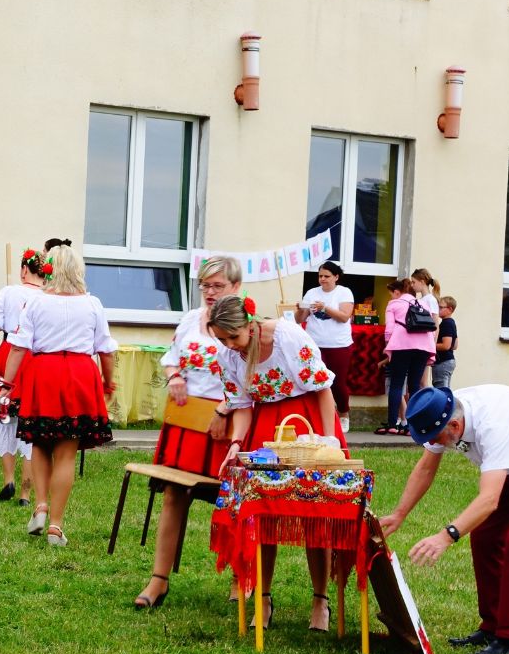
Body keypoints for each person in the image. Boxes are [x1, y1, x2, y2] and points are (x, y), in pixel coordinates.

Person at [381, 385, 509, 654]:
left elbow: (489, 500)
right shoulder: (442, 412)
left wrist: (446, 536)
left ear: (454, 424)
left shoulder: (493, 425)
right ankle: (492, 626)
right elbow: (426, 467)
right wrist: (400, 513)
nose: (434, 442)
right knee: (484, 536)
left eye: (436, 437)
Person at [211, 294, 346, 631]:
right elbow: (242, 404)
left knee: (316, 515)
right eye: (222, 339)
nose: (229, 345)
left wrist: (327, 441)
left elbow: (322, 389)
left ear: (251, 325)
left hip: (309, 424)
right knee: (263, 515)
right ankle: (264, 598)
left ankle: (321, 601)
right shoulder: (228, 354)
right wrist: (237, 442)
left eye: (234, 337)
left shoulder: (288, 337)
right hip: (266, 430)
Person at [132, 255, 242, 610]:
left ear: (235, 287)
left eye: (218, 286)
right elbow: (170, 356)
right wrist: (175, 376)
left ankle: (241, 578)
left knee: (233, 504)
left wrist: (225, 409)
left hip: (226, 424)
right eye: (205, 286)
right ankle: (158, 579)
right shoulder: (190, 320)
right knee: (173, 498)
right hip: (186, 425)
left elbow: (250, 377)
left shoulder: (243, 323)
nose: (210, 293)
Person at [0, 245, 116, 547]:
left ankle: (39, 505)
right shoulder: (93, 304)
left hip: (43, 372)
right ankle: (56, 525)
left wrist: (7, 384)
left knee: (39, 442)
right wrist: (108, 381)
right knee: (66, 451)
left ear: (49, 269)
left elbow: (18, 346)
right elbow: (105, 347)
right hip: (78, 373)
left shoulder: (36, 303)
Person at [0, 247, 47, 505]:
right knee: (31, 427)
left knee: (6, 420)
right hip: (37, 360)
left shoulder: (8, 292)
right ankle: (26, 494)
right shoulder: (49, 296)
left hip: (10, 355)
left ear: (23, 269)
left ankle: (9, 479)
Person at [295, 260, 354, 432]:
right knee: (314, 381)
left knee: (338, 383)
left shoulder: (344, 292)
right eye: (320, 276)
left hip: (339, 344)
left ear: (336, 277)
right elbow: (300, 319)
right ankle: (315, 417)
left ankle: (343, 414)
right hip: (314, 344)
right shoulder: (312, 292)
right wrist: (300, 309)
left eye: (326, 276)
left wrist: (324, 307)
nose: (322, 279)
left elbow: (344, 316)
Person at [378, 277, 435, 435]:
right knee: (415, 386)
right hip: (423, 346)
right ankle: (412, 426)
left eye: (391, 294)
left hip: (402, 346)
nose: (391, 297)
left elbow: (389, 329)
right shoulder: (423, 303)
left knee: (396, 385)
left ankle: (392, 424)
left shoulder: (394, 304)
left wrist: (388, 346)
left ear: (397, 292)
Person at [433, 296, 458, 389]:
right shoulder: (452, 322)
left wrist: (430, 345)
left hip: (442, 362)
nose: (438, 309)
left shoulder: (446, 323)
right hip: (449, 361)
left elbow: (446, 345)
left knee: (441, 391)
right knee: (445, 389)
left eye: (441, 307)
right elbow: (454, 345)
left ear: (450, 309)